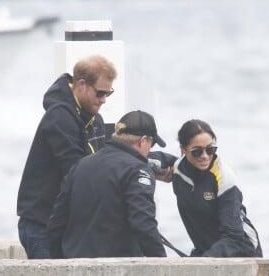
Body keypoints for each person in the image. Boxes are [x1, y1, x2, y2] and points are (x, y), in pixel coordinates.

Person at [17, 55, 117, 259]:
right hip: (42, 224)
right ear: (81, 84)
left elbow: (104, 161)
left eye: (109, 93)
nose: (104, 100)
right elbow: (76, 170)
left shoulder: (95, 119)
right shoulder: (59, 117)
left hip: (68, 225)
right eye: (100, 93)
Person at [48, 110, 167, 258]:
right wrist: (161, 263)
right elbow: (143, 223)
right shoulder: (138, 170)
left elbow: (57, 221)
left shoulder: (81, 164)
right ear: (143, 141)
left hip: (74, 263)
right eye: (152, 143)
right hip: (116, 267)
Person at [172, 119, 263, 257]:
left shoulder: (224, 177)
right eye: (197, 152)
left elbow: (234, 237)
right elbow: (141, 159)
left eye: (210, 150)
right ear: (183, 149)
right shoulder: (178, 170)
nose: (205, 156)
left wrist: (205, 261)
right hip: (207, 250)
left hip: (242, 250)